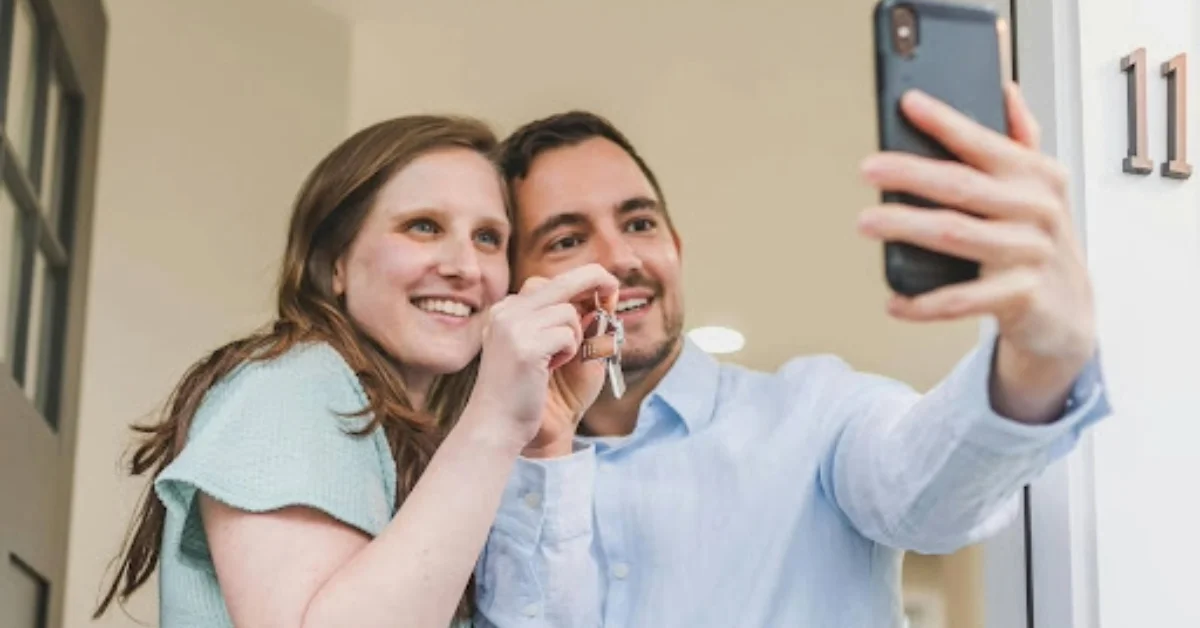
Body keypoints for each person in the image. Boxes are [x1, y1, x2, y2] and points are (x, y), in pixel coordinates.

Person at [470, 84, 1111, 626]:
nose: (621, 258)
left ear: (678, 248)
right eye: (567, 238)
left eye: (639, 223)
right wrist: (539, 453)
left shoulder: (818, 413)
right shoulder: (479, 476)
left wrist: (1036, 362)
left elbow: (928, 494)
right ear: (516, 285)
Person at [93, 115, 620, 627]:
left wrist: (546, 439)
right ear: (336, 262)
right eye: (423, 226)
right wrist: (496, 421)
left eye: (488, 238)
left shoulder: (434, 448)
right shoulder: (291, 384)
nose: (465, 266)